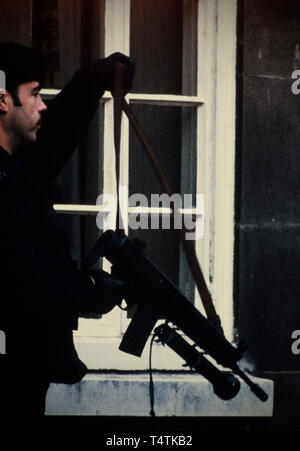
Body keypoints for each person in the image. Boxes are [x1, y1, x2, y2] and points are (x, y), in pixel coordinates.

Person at [0, 42, 135, 419]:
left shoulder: (16, 169)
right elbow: (22, 287)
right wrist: (90, 289)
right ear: (2, 100)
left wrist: (93, 80)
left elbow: (53, 136)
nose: (43, 104)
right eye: (35, 94)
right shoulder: (7, 182)